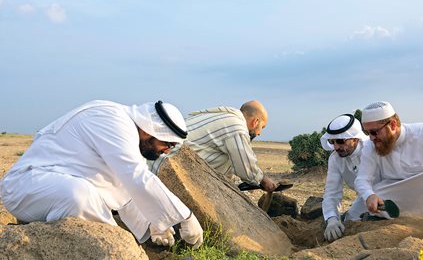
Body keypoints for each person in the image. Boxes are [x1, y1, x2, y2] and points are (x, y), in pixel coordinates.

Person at [0, 100, 203, 248]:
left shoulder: (128, 138)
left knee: (83, 193)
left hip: (51, 188)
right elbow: (137, 177)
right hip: (25, 185)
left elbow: (124, 192)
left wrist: (154, 225)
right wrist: (185, 217)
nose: (166, 151)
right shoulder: (112, 119)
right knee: (80, 194)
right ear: (151, 131)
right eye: (167, 144)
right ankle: (113, 252)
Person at [183, 100, 277, 191]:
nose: (259, 133)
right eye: (262, 127)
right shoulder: (237, 127)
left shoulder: (225, 115)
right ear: (255, 122)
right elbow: (245, 166)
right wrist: (263, 180)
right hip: (178, 160)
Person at [320, 113, 371, 242]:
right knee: (348, 222)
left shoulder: (372, 150)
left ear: (355, 138)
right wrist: (331, 219)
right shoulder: (335, 159)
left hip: (388, 195)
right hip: (364, 200)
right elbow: (332, 193)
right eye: (333, 141)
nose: (336, 147)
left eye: (341, 141)